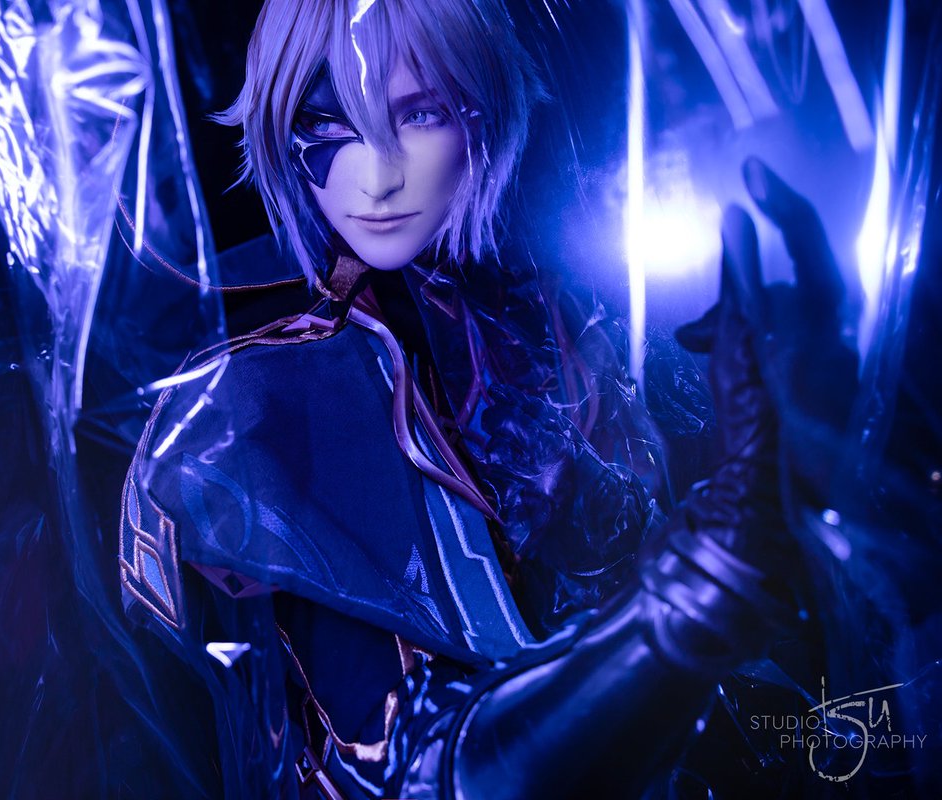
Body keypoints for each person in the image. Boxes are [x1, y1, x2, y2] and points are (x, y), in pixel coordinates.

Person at [118, 0, 813, 796]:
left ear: (486, 108)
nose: (379, 176)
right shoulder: (254, 406)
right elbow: (407, 770)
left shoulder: (567, 321)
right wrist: (705, 585)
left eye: (421, 114)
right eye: (328, 122)